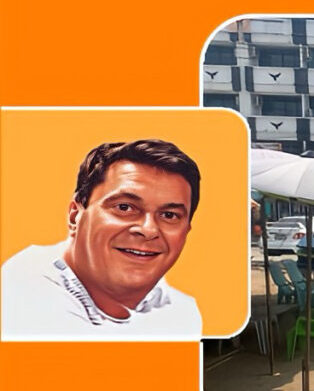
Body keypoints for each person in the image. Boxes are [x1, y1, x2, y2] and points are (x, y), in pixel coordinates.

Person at [1, 139, 202, 340]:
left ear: (186, 230)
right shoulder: (24, 285)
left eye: (169, 215)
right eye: (124, 207)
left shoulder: (183, 311)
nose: (149, 230)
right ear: (75, 216)